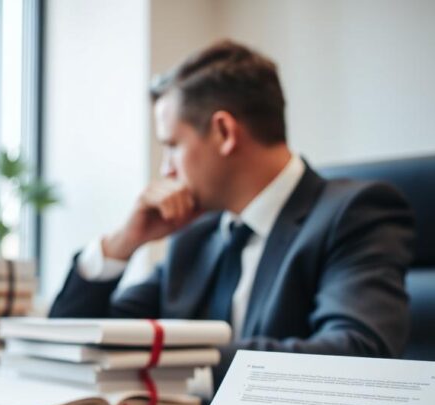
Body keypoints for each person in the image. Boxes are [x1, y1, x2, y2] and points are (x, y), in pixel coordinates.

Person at [48, 39, 414, 387]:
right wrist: (122, 243)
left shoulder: (353, 214)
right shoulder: (197, 237)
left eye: (172, 146)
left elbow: (359, 356)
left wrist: (174, 363)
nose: (166, 171)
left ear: (224, 132)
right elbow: (79, 347)